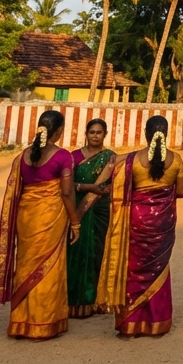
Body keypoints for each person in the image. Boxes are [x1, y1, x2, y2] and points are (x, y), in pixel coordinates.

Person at [0, 109, 80, 339]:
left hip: (26, 216)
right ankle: (44, 321)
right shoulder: (63, 156)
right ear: (59, 130)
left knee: (26, 264)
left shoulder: (23, 156)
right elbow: (67, 193)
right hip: (50, 216)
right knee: (50, 265)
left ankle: (21, 322)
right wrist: (75, 222)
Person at [97, 115, 183, 337]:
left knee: (134, 269)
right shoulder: (176, 160)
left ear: (146, 134)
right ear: (166, 134)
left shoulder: (132, 160)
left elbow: (117, 186)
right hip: (163, 223)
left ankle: (130, 324)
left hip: (137, 221)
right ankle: (157, 323)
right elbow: (181, 192)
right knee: (159, 269)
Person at [67, 118, 116, 318]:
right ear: (86, 134)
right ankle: (73, 301)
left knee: (98, 250)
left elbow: (114, 185)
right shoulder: (73, 157)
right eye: (92, 132)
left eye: (99, 132)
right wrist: (88, 187)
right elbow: (66, 184)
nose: (95, 136)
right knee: (75, 250)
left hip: (100, 209)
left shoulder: (110, 158)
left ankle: (96, 300)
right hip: (77, 207)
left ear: (105, 134)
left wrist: (100, 190)